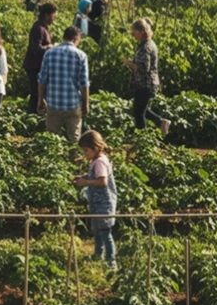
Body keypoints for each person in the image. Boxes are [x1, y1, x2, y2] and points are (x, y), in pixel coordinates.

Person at [73, 130, 117, 269]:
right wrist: (84, 177)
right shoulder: (96, 160)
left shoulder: (100, 162)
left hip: (103, 203)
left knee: (105, 231)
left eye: (86, 151)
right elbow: (95, 177)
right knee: (98, 230)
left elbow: (102, 182)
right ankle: (98, 254)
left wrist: (85, 183)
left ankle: (111, 262)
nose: (85, 154)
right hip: (97, 202)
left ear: (95, 148)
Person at [38, 26, 90, 142]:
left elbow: (42, 80)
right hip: (72, 104)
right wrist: (86, 103)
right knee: (74, 139)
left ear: (64, 37)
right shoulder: (81, 55)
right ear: (76, 38)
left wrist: (40, 99)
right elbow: (84, 82)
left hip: (53, 103)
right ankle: (73, 159)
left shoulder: (49, 53)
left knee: (52, 139)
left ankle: (52, 159)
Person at [123, 18, 170, 135]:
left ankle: (142, 139)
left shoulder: (145, 47)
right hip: (146, 83)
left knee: (138, 113)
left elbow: (144, 68)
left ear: (142, 31)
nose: (133, 34)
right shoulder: (146, 44)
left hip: (145, 84)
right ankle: (161, 122)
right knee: (141, 108)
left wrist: (129, 63)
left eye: (134, 32)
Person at [23, 3, 56, 114]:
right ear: (46, 15)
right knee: (36, 93)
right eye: (53, 15)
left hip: (37, 66)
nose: (54, 17)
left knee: (38, 93)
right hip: (34, 66)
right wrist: (50, 47)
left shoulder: (43, 28)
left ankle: (35, 115)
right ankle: (32, 116)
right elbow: (36, 48)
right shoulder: (38, 29)